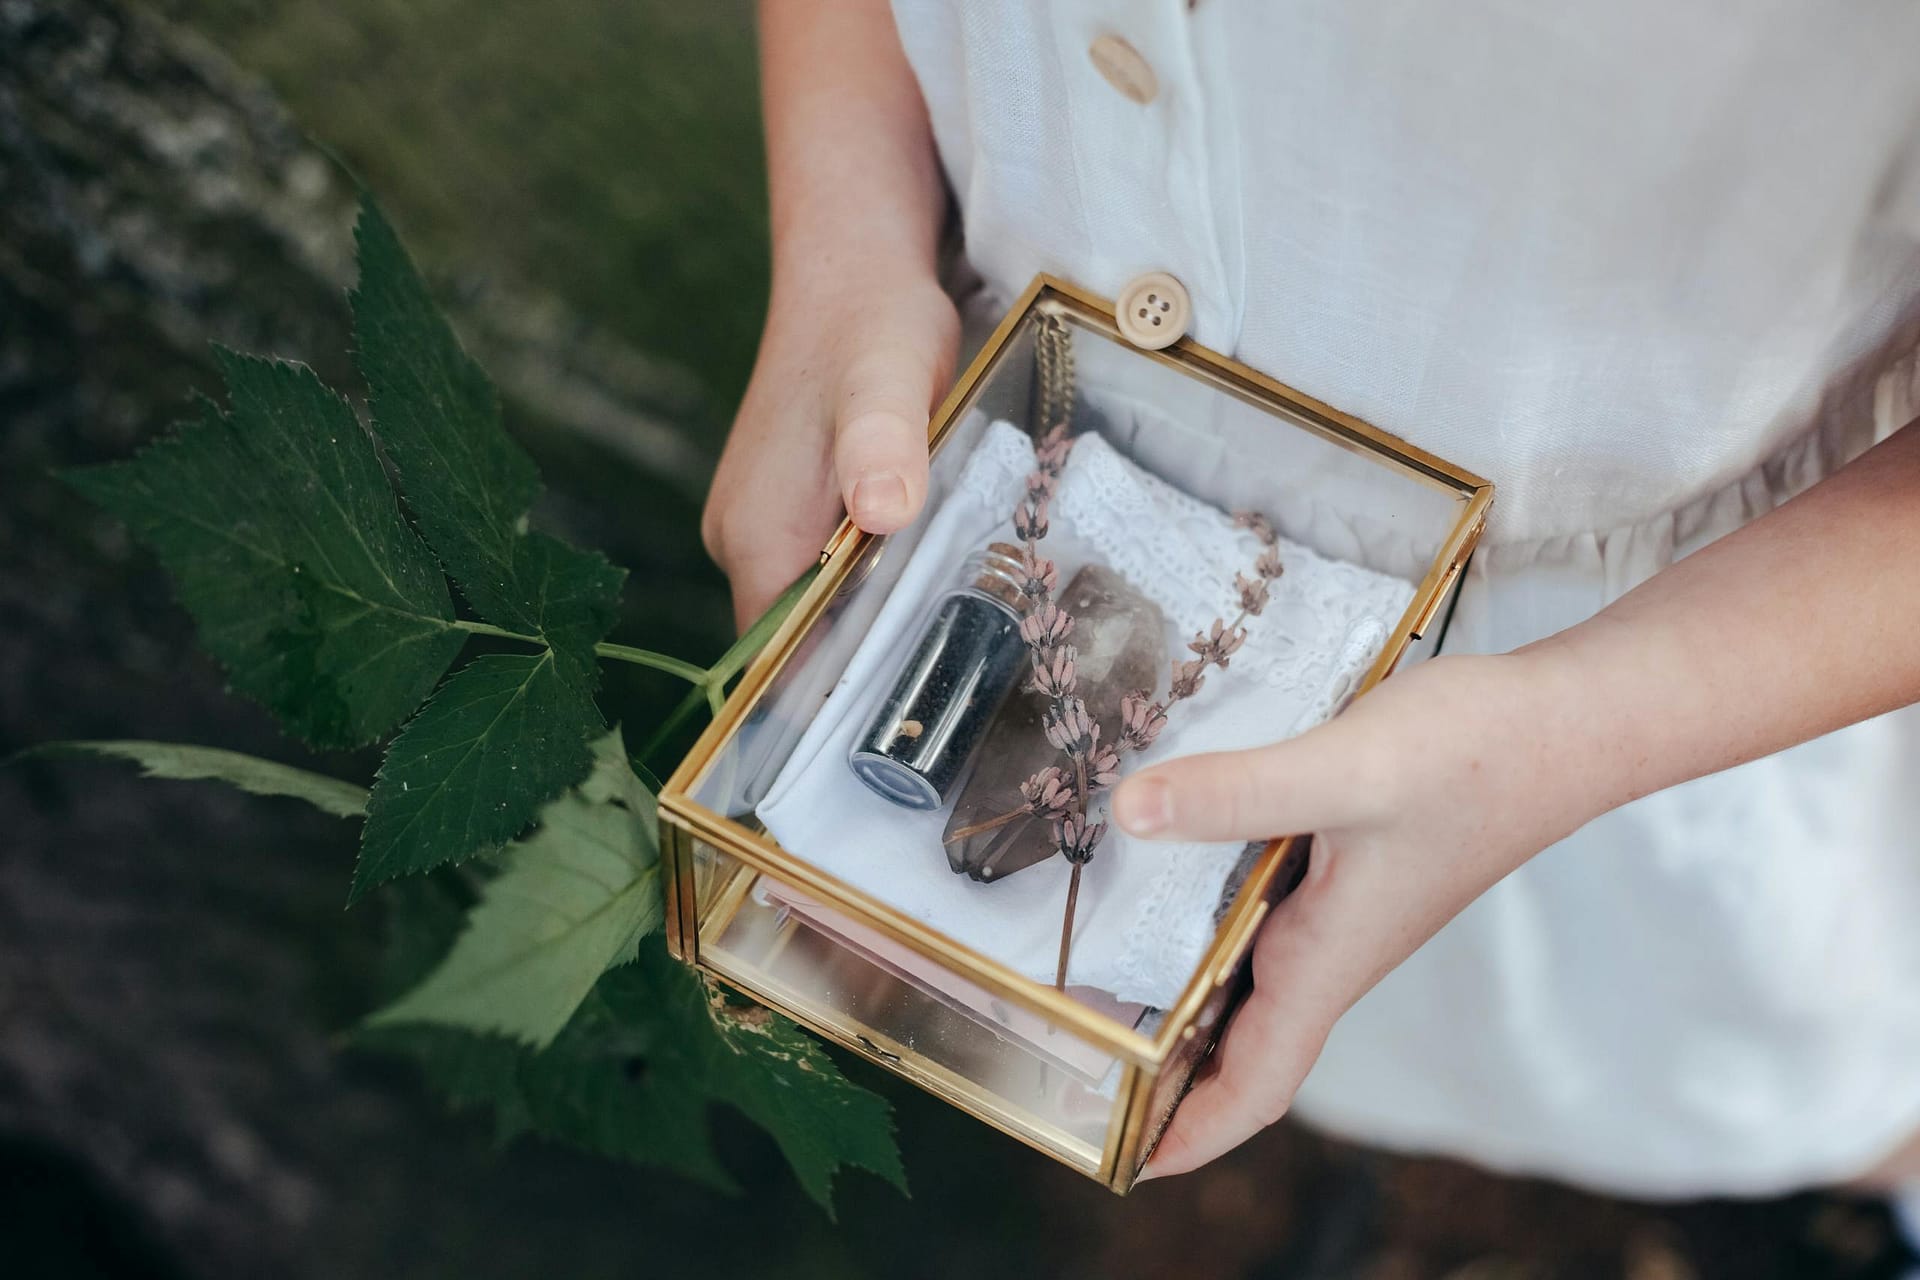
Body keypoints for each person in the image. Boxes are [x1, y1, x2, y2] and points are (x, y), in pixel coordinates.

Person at [702, 0, 1920, 1213]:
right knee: (1311, 1018)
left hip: (1685, 652)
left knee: (1733, 1049)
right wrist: (845, 245)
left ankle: (1880, 1155)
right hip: (1004, 438)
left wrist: (1579, 729)